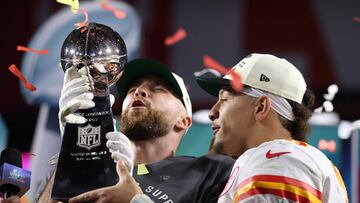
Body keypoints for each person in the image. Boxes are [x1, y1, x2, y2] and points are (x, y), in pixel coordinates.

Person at [36, 58, 234, 203]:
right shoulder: (93, 169)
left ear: (184, 120)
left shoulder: (210, 171)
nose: (138, 91)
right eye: (132, 89)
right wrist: (73, 144)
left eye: (158, 89)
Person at [195, 53, 348, 202]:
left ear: (261, 107)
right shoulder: (296, 159)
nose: (212, 113)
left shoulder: (276, 159)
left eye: (224, 99)